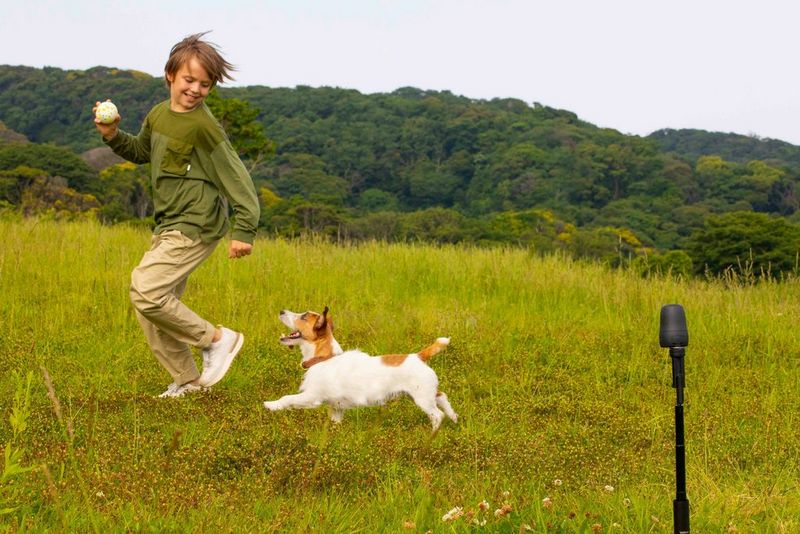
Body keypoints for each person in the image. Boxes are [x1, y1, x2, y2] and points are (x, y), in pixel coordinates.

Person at [93, 32, 260, 398]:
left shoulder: (204, 127)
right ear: (170, 75)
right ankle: (188, 381)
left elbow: (237, 177)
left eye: (205, 84)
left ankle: (217, 340)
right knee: (152, 307)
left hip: (196, 223)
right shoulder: (158, 114)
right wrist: (112, 134)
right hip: (168, 223)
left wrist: (244, 229)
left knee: (146, 290)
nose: (196, 89)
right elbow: (141, 152)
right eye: (189, 80)